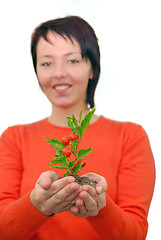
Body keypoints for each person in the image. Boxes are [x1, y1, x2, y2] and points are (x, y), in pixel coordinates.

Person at [0, 16, 155, 240]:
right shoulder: (13, 138)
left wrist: (100, 209)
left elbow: (136, 234)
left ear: (93, 68)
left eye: (72, 61)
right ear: (36, 71)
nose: (59, 73)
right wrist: (36, 205)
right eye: (46, 63)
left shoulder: (130, 136)